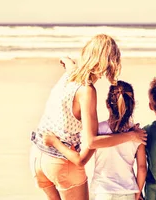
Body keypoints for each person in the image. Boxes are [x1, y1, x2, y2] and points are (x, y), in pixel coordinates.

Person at [29, 34, 147, 200]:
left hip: (38, 156)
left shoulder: (70, 75)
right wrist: (131, 135)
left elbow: (71, 67)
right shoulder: (87, 90)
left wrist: (67, 60)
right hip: (61, 161)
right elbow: (91, 141)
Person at [44, 80, 147, 200]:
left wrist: (55, 142)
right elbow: (142, 168)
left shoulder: (98, 130)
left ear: (107, 104)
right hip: (127, 192)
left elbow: (80, 159)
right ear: (133, 106)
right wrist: (138, 192)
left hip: (102, 192)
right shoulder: (138, 134)